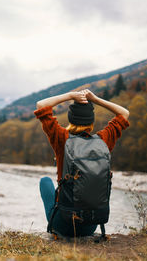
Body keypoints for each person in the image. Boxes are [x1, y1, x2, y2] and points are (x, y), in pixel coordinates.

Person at [34, 89, 130, 237]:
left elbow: (41, 105)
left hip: (63, 224)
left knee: (45, 181)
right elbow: (124, 113)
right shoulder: (103, 141)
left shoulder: (62, 139)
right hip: (90, 225)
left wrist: (70, 95)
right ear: (92, 122)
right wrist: (96, 99)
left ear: (71, 119)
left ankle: (56, 221)